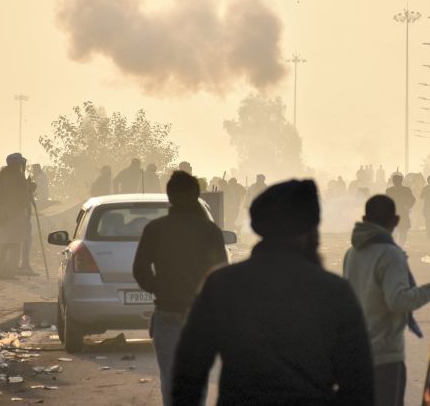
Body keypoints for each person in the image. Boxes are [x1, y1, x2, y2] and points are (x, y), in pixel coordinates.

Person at [171, 179, 374, 405]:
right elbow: (359, 384)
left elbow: (189, 372)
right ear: (310, 231)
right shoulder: (334, 291)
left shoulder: (222, 284)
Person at [132, 171, 227, 406]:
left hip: (167, 312)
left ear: (169, 196)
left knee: (170, 380)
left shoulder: (156, 229)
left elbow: (140, 270)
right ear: (196, 194)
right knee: (198, 380)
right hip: (201, 317)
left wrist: (160, 289)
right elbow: (220, 275)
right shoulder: (209, 231)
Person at [343, 194, 430, 406]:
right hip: (385, 355)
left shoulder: (352, 253)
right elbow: (399, 301)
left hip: (356, 351)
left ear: (365, 218)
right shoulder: (390, 254)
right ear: (396, 221)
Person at [0, 153, 32, 279]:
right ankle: (11, 272)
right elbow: (24, 198)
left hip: (2, 216)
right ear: (17, 163)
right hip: (15, 215)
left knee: (3, 245)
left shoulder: (1, 175)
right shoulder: (18, 177)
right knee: (15, 245)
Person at [386, 173, 415, 245]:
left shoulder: (406, 190)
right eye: (395, 181)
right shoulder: (389, 190)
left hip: (403, 212)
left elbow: (412, 199)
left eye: (397, 181)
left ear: (401, 181)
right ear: (393, 182)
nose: (396, 183)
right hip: (393, 213)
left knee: (403, 231)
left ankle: (401, 246)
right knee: (393, 232)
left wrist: (408, 206)